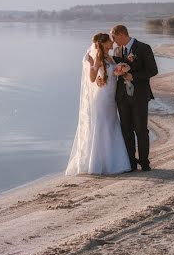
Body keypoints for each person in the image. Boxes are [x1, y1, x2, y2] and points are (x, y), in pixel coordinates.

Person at [65, 33, 132, 175]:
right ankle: (98, 164)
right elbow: (92, 78)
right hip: (102, 98)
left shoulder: (110, 57)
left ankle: (111, 161)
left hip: (111, 98)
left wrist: (121, 70)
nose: (112, 42)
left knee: (111, 126)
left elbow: (110, 73)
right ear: (102, 43)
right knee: (102, 126)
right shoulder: (99, 58)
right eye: (109, 41)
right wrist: (91, 65)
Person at [110, 24, 158, 171]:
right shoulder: (118, 50)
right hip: (122, 96)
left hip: (139, 95)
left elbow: (153, 70)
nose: (112, 40)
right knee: (126, 130)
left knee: (140, 129)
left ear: (121, 34)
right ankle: (130, 163)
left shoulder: (143, 48)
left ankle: (144, 163)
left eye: (113, 37)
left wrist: (134, 76)